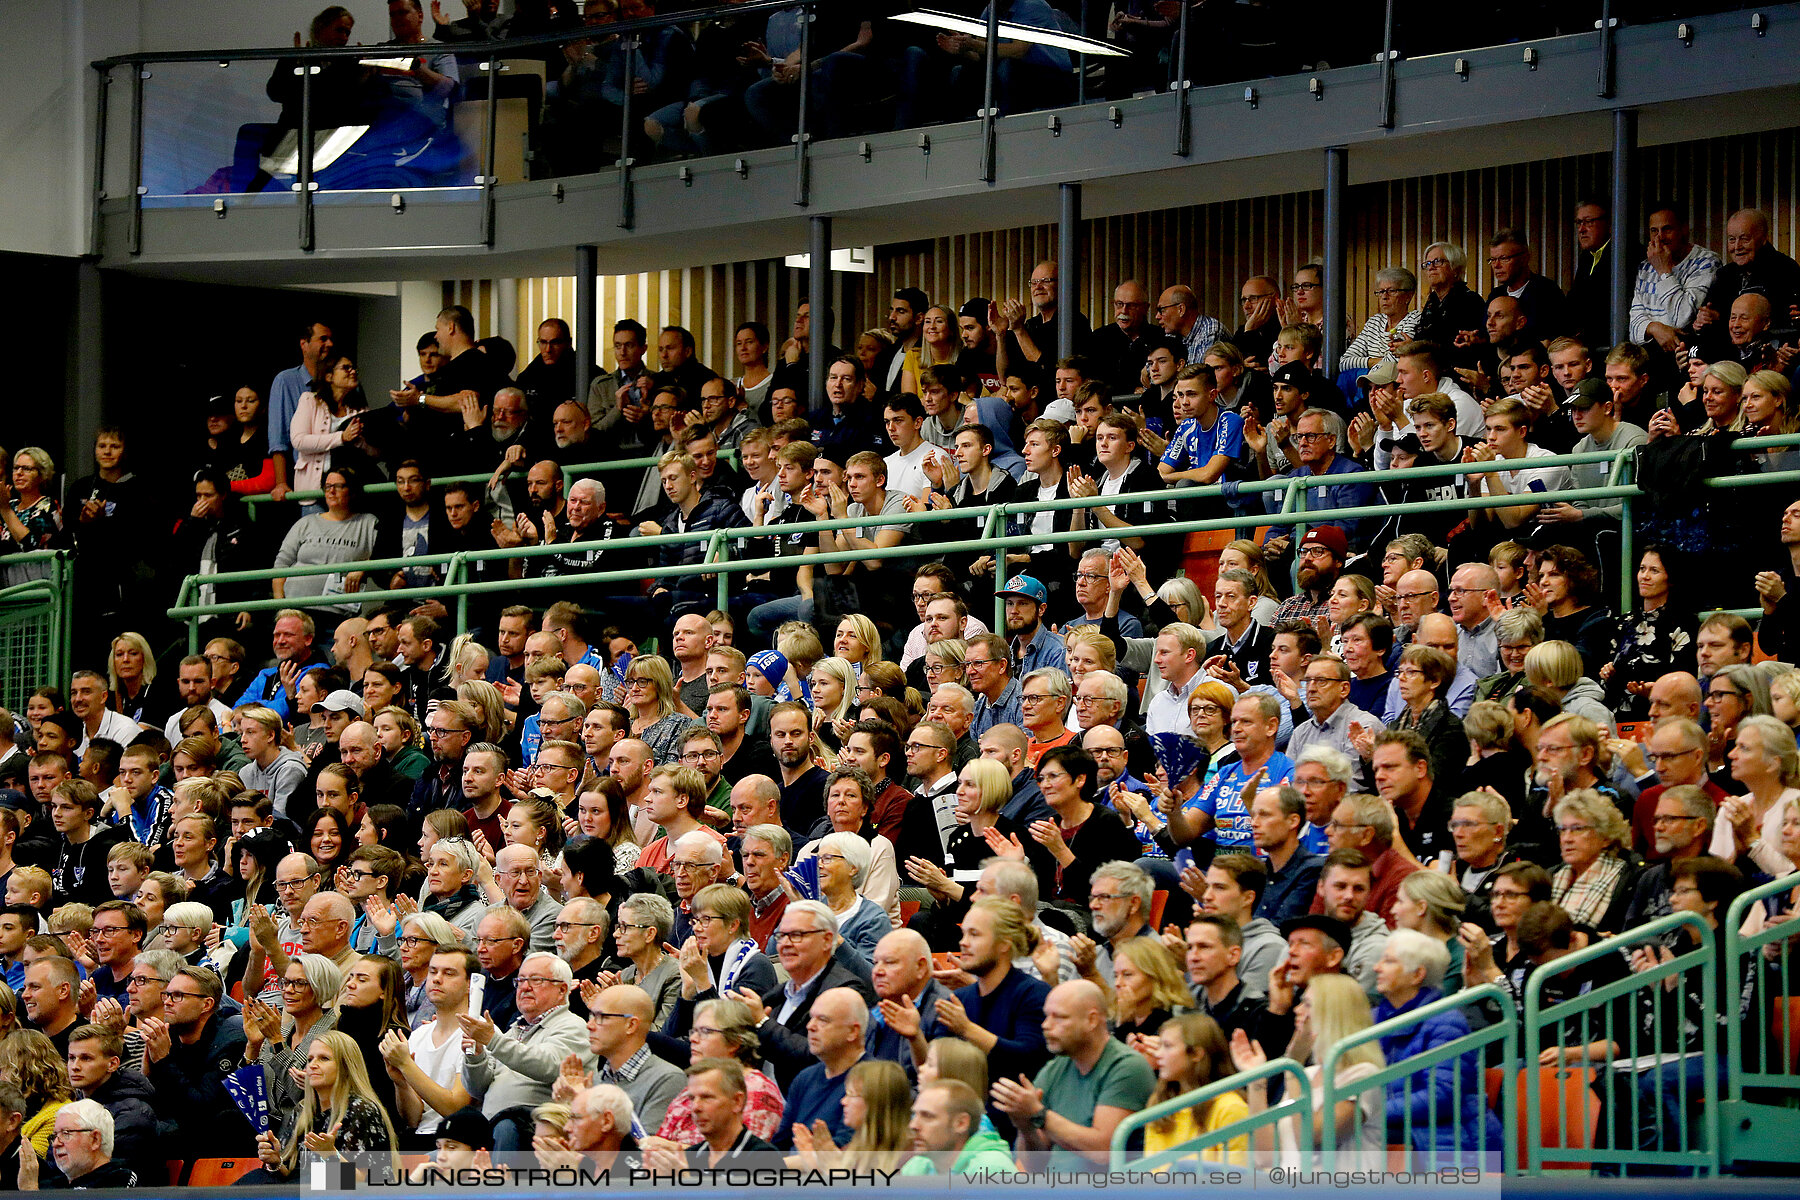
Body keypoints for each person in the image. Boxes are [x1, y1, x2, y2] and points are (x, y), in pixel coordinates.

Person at [1370, 928, 1504, 1164]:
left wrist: (1371, 1113)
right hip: (1400, 1132)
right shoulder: (1371, 1021)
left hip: (1451, 1139)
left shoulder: (1447, 1022)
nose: (1376, 968)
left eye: (1388, 961)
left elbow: (1441, 1096)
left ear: (1417, 975)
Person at [993, 979, 1154, 1168]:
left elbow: (1103, 1151)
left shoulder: (1127, 1067)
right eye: (1046, 1016)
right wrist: (1026, 1126)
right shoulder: (1054, 1069)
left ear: (1091, 1020)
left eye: (1059, 1017)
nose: (1045, 1025)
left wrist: (1039, 1114)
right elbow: (1032, 1166)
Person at [1141, 1011, 1249, 1163]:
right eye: (1159, 1046)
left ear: (1196, 1054)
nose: (1158, 1054)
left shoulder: (1230, 1108)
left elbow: (1236, 1178)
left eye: (1167, 1046)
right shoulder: (1159, 1103)